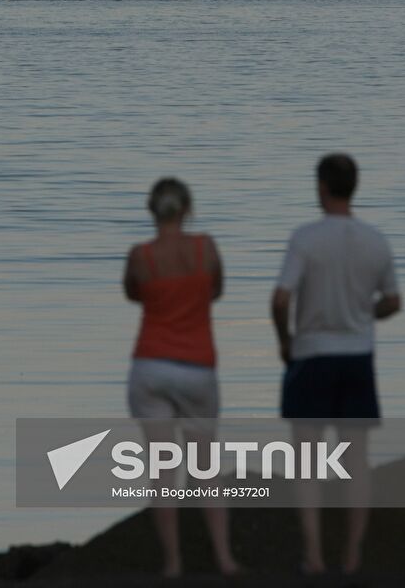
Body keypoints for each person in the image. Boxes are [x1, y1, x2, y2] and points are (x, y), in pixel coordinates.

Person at [271, 154, 402, 581]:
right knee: (356, 460)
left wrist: (285, 341)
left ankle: (313, 555)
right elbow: (393, 300)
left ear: (323, 186)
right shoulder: (375, 240)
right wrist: (366, 314)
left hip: (311, 355)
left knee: (306, 461)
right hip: (357, 356)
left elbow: (280, 300)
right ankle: (352, 557)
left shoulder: (305, 239)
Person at [123, 178, 239, 578]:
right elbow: (217, 291)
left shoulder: (141, 257)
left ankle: (173, 562)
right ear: (188, 210)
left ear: (151, 212)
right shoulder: (206, 249)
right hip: (197, 366)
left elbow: (134, 294)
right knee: (206, 465)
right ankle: (223, 557)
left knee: (161, 468)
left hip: (151, 364)